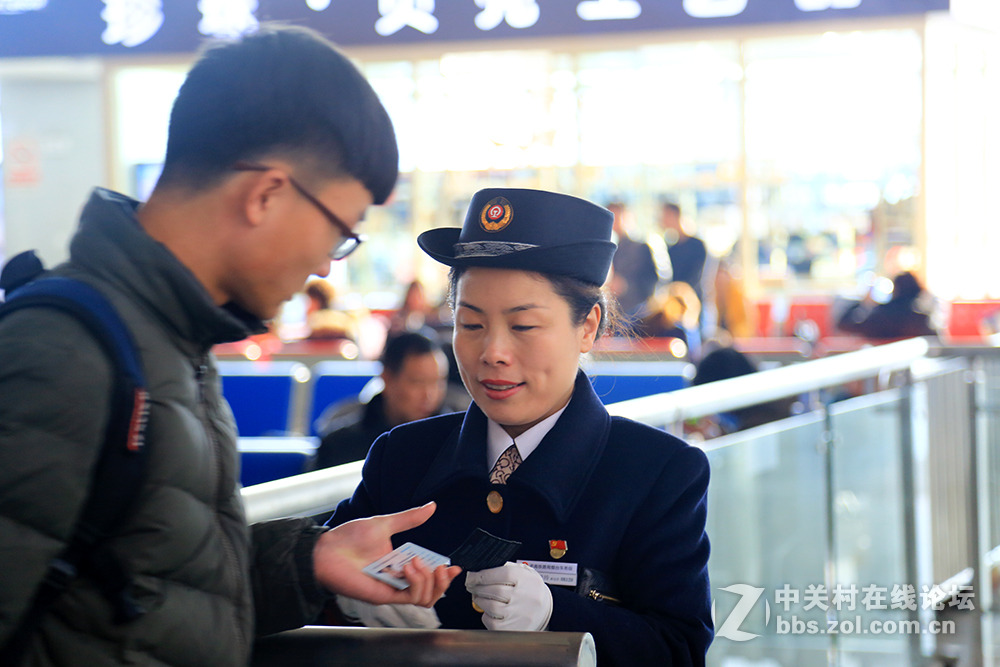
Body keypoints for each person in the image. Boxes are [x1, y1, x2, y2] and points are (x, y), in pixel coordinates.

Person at [0, 25, 459, 667]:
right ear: (266, 193)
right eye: (339, 233)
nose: (327, 266)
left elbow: (143, 584)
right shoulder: (65, 354)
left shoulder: (170, 340)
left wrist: (307, 560)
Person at [326, 188, 713, 665]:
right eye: (470, 325)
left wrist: (560, 615)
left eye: (523, 326)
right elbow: (325, 582)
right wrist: (346, 600)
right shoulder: (402, 457)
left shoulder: (657, 472)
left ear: (588, 326)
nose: (492, 353)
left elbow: (680, 648)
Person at [315, 331, 451, 469]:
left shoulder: (456, 440)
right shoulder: (340, 446)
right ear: (387, 379)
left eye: (438, 382)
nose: (429, 395)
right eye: (417, 382)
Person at [835, 270, 939, 340]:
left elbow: (844, 325)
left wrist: (863, 304)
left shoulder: (880, 315)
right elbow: (936, 343)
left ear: (895, 289)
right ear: (918, 291)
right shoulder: (920, 319)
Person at [606, 201, 661, 321]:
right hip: (614, 313)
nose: (614, 223)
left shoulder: (642, 247)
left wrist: (626, 286)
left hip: (637, 313)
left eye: (617, 216)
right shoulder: (606, 248)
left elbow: (654, 282)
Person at [659, 200, 707, 305]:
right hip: (675, 303)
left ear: (674, 215)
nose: (662, 220)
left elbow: (697, 276)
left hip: (692, 302)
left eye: (665, 216)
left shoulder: (697, 245)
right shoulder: (671, 248)